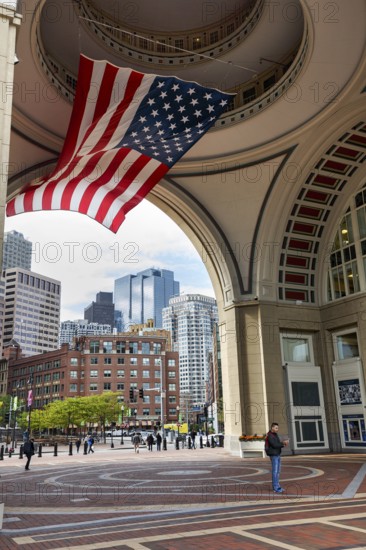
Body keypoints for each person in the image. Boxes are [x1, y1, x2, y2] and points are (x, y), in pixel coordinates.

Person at [265, 422, 289, 493]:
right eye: (276, 428)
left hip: (277, 454)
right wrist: (283, 443)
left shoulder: (274, 435)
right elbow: (275, 445)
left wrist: (283, 444)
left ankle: (277, 486)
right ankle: (275, 487)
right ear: (272, 428)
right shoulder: (269, 435)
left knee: (278, 472)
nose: (277, 429)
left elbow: (277, 444)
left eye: (277, 428)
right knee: (275, 472)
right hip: (273, 455)